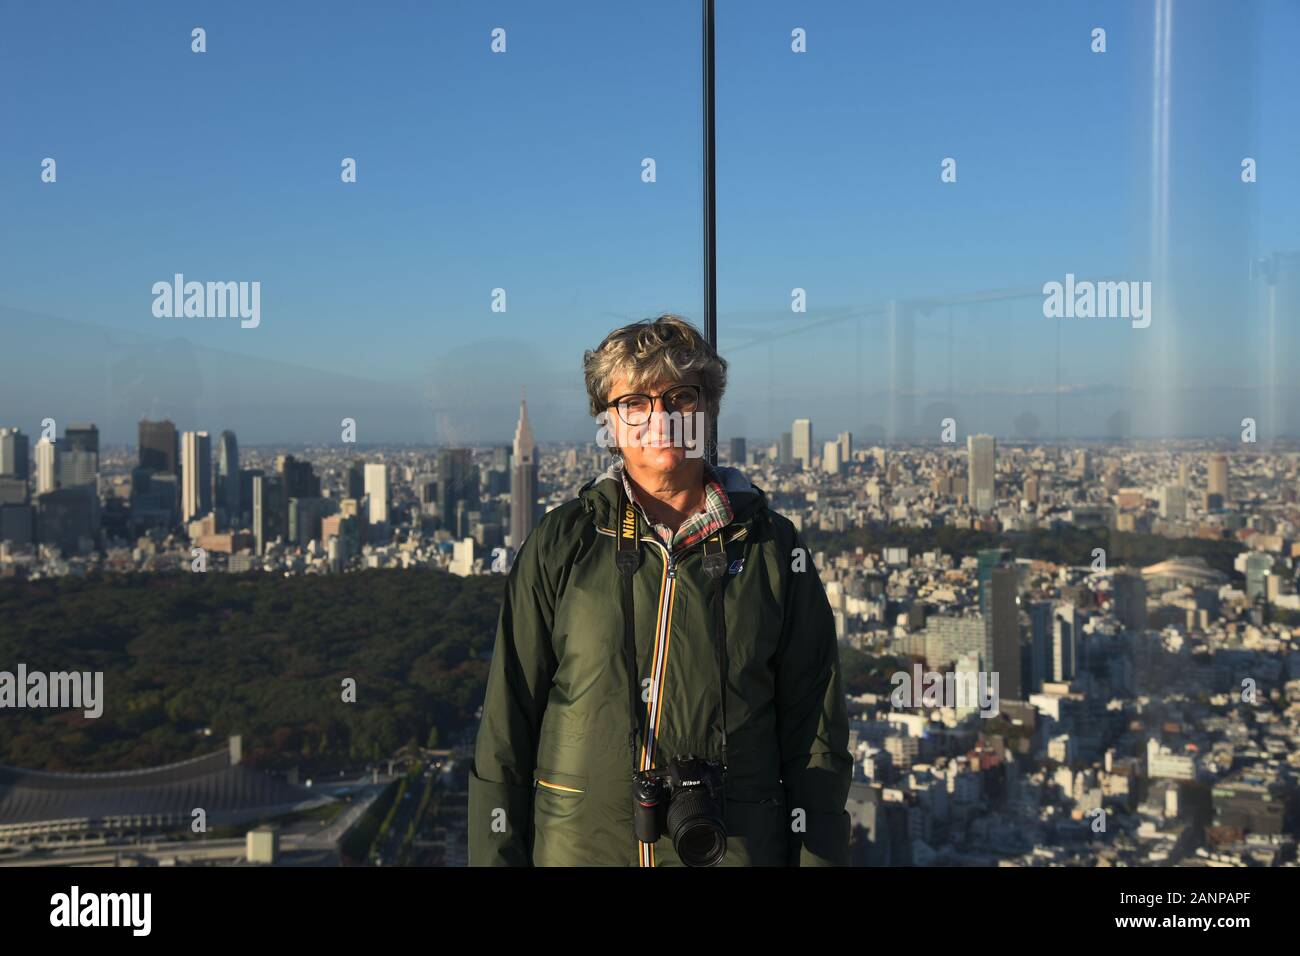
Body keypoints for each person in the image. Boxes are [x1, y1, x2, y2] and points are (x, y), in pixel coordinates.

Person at [468, 314, 851, 866]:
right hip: (582, 851)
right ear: (609, 422)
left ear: (708, 408)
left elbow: (815, 733)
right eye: (634, 404)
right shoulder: (564, 542)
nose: (661, 418)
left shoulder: (771, 549)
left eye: (680, 397)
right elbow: (507, 726)